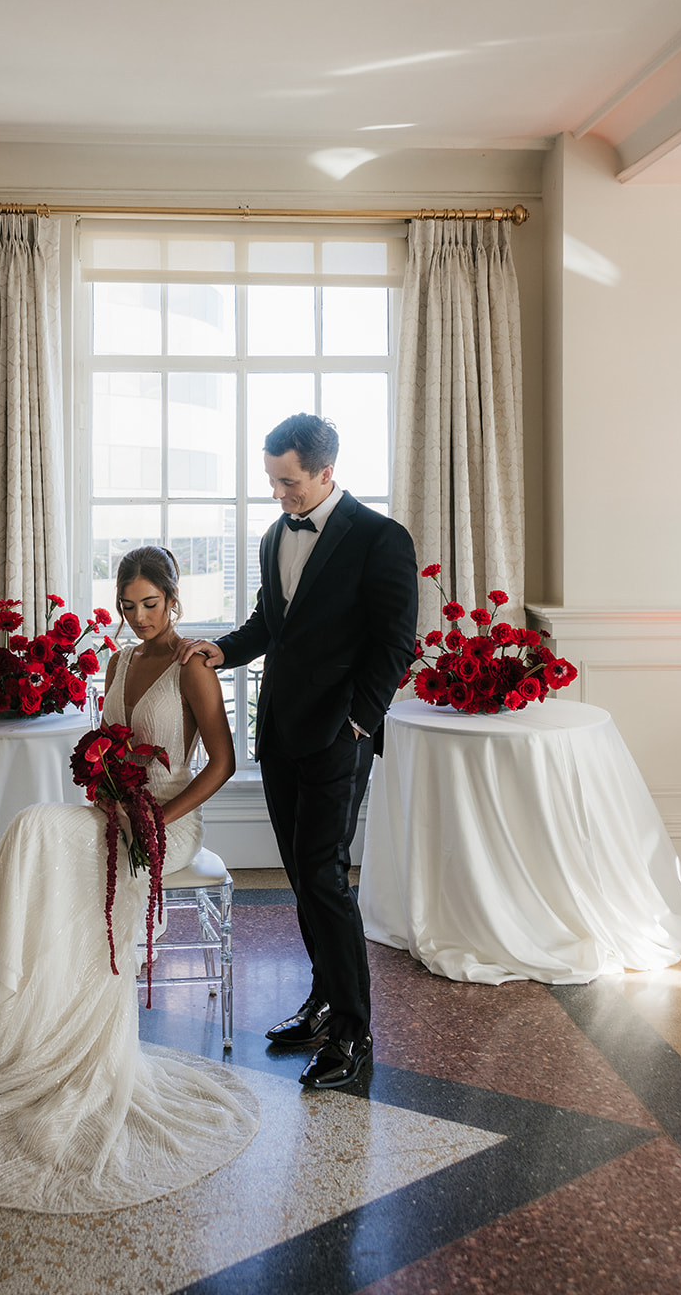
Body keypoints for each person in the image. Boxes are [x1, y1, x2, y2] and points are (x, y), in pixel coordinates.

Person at [0, 547, 258, 1213]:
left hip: (169, 822)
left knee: (43, 837)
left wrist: (160, 818)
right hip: (111, 813)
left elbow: (222, 763)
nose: (139, 618)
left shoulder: (192, 665)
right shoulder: (116, 660)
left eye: (151, 604)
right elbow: (105, 748)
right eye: (129, 605)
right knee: (33, 829)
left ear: (173, 601)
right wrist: (105, 789)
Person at [180, 414, 417, 1091]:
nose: (278, 494)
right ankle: (320, 1004)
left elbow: (393, 642)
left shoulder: (380, 540)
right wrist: (220, 651)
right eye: (271, 481)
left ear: (324, 472)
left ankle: (352, 1029)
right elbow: (270, 624)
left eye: (287, 482)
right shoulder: (272, 536)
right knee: (301, 877)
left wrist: (359, 723)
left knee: (322, 877)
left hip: (338, 737)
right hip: (280, 730)